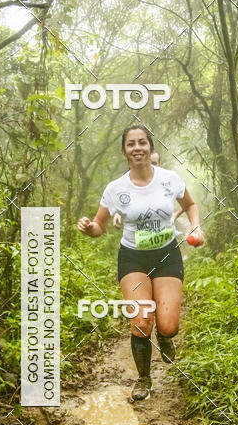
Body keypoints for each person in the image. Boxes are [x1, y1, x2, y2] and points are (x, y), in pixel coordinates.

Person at [77, 126, 205, 402]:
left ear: (150, 147)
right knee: (141, 320)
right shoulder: (116, 188)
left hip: (166, 255)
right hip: (133, 257)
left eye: (142, 143)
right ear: (124, 151)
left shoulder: (169, 179)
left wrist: (196, 227)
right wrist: (90, 229)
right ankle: (144, 378)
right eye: (131, 144)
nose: (137, 148)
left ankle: (166, 338)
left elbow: (191, 204)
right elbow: (100, 225)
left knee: (168, 325)